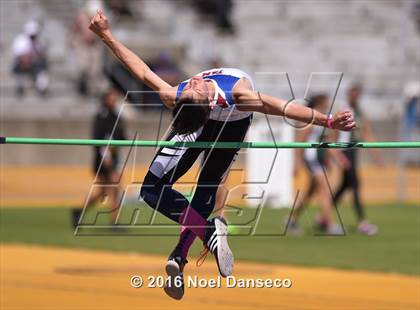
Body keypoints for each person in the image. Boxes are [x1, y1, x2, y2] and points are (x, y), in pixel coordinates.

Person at [89, 10, 355, 300]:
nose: (191, 82)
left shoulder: (236, 94)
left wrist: (329, 121)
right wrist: (106, 36)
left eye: (191, 86)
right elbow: (140, 71)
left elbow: (284, 108)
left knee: (206, 188)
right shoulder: (185, 98)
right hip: (200, 121)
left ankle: (182, 254)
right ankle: (199, 243)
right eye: (191, 88)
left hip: (233, 121)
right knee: (150, 190)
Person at [288, 94, 350, 235]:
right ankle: (329, 224)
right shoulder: (310, 117)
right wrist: (297, 163)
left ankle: (291, 220)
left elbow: (328, 143)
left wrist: (336, 157)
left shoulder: (326, 119)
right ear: (318, 103)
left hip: (320, 159)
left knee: (309, 193)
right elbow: (301, 142)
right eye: (325, 102)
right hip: (312, 158)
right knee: (325, 190)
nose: (327, 104)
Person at [72, 87, 126, 228]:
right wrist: (106, 156)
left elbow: (121, 136)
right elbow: (98, 139)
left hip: (113, 158)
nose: (115, 99)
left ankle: (78, 211)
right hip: (103, 159)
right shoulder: (102, 116)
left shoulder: (115, 115)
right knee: (114, 187)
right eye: (112, 96)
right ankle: (114, 222)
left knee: (103, 191)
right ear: (106, 98)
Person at [333, 85, 383, 235]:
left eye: (357, 94)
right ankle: (362, 222)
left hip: (353, 152)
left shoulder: (360, 112)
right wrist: (337, 154)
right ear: (349, 95)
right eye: (353, 94)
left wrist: (377, 156)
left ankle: (323, 215)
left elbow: (367, 134)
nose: (355, 97)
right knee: (355, 184)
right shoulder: (343, 110)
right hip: (345, 151)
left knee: (344, 186)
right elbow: (333, 133)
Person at [12, 20, 49, 96]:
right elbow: (20, 55)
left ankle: (42, 89)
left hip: (34, 64)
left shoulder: (38, 41)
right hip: (21, 64)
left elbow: (40, 54)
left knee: (42, 69)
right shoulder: (20, 40)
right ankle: (20, 87)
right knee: (19, 70)